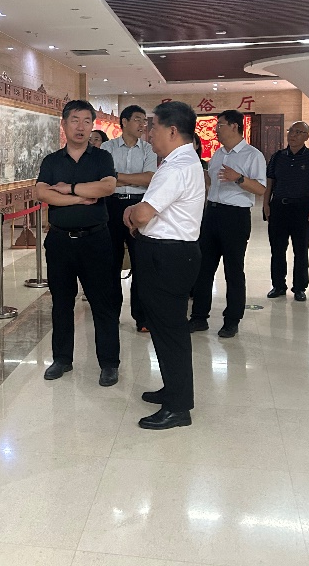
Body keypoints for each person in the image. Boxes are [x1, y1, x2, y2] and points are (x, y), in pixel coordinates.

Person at [123, 101, 205, 429]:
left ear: (172, 131)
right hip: (171, 253)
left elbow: (143, 214)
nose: (148, 133)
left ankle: (178, 407)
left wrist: (130, 213)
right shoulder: (182, 161)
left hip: (168, 256)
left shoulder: (175, 167)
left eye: (153, 127)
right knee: (164, 328)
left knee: (171, 332)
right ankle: (173, 389)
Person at [36, 100, 120, 385]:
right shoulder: (51, 161)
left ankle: (109, 363)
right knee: (61, 302)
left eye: (87, 121)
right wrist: (80, 198)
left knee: (102, 302)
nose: (81, 127)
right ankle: (62, 359)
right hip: (60, 240)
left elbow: (107, 187)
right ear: (64, 124)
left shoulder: (101, 158)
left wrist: (68, 189)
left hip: (95, 240)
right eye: (75, 120)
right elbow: (42, 193)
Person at [189, 110, 267, 337]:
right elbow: (212, 183)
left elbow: (261, 189)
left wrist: (239, 178)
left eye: (220, 125)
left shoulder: (252, 155)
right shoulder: (218, 154)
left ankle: (232, 320)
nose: (216, 130)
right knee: (204, 268)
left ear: (234, 126)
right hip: (212, 213)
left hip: (235, 216)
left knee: (233, 270)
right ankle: (199, 317)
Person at [101, 105, 158, 333]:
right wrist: (130, 178)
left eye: (144, 120)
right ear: (124, 122)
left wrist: (118, 177)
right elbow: (105, 179)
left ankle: (142, 317)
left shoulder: (148, 149)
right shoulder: (107, 148)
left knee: (140, 262)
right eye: (137, 119)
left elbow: (149, 179)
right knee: (111, 263)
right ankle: (111, 314)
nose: (142, 124)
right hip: (111, 205)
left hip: (139, 206)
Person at [263, 121, 309, 301]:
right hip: (279, 207)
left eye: (298, 132)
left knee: (301, 249)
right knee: (277, 249)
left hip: (302, 208)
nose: (293, 135)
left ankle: (299, 287)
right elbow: (270, 183)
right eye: (291, 131)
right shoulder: (277, 157)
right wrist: (266, 204)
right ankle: (278, 285)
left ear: (306, 137)